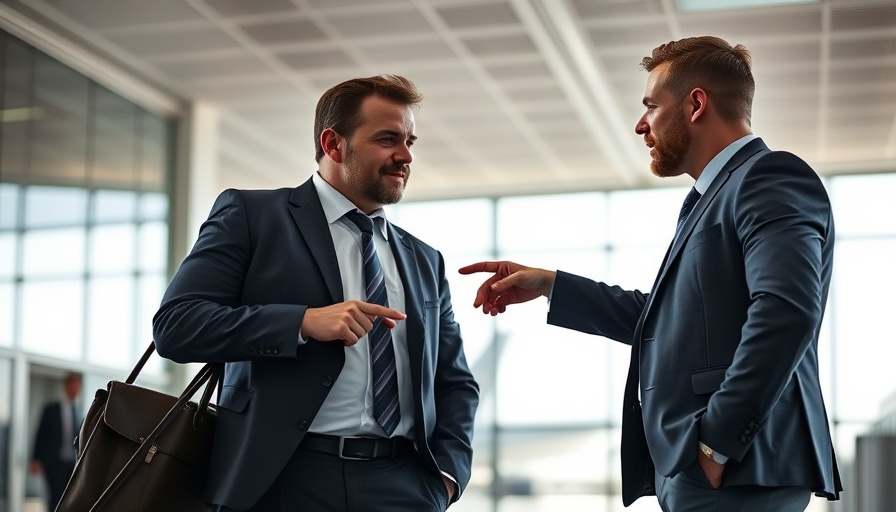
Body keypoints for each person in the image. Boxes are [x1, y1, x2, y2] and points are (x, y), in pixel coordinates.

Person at [460, 36, 841, 511]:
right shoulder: (715, 197)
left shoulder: (768, 177)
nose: (641, 125)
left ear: (696, 104)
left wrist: (716, 443)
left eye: (651, 106)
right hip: (706, 469)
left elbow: (787, 312)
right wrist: (551, 285)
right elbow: (669, 322)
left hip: (738, 466)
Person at [153, 74, 479, 512]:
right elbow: (176, 327)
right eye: (388, 139)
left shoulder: (424, 259)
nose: (405, 156)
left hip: (404, 487)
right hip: (282, 481)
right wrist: (301, 322)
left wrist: (445, 479)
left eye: (410, 141)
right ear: (334, 144)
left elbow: (455, 381)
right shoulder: (253, 217)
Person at [31, 371, 82, 511]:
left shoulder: (78, 411)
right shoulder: (51, 409)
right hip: (53, 461)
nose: (74, 389)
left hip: (72, 463)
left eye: (77, 386)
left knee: (68, 498)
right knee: (55, 498)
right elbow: (40, 434)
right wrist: (35, 459)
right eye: (72, 385)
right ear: (66, 386)